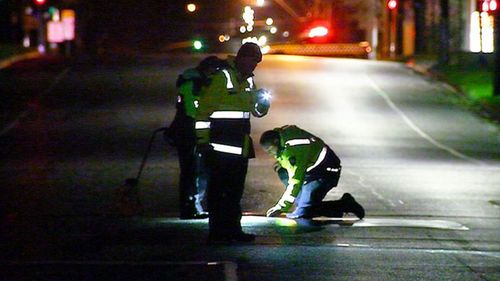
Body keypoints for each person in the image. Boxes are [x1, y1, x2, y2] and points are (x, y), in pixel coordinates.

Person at [195, 42, 271, 243]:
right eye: (252, 60)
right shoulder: (222, 78)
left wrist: (263, 104)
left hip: (240, 147)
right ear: (241, 57)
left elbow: (255, 111)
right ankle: (217, 232)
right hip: (219, 146)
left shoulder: (248, 82)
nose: (254, 66)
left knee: (234, 192)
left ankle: (232, 230)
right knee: (218, 191)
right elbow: (203, 111)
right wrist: (203, 141)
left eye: (257, 62)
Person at [259, 125, 365, 219]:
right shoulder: (283, 138)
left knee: (304, 212)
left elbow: (296, 179)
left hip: (325, 172)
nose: (270, 154)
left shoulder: (293, 150)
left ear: (276, 142)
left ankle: (345, 204)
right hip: (311, 171)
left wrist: (282, 206)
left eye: (270, 150)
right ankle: (311, 204)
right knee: (282, 171)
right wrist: (282, 163)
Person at [167, 56, 225, 219]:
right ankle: (188, 208)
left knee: (195, 171)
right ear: (210, 69)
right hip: (188, 132)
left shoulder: (194, 80)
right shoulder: (194, 83)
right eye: (217, 71)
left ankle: (193, 206)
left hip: (187, 131)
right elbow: (194, 111)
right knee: (190, 171)